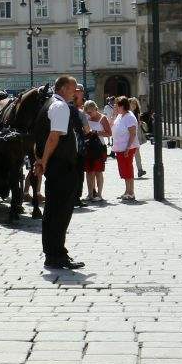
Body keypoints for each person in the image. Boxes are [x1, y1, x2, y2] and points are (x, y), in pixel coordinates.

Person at [38, 75, 85, 270]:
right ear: (64, 88)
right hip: (62, 166)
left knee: (53, 211)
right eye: (74, 89)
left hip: (57, 165)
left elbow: (40, 136)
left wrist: (41, 160)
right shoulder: (60, 106)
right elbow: (53, 137)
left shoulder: (49, 104)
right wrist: (44, 161)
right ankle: (57, 255)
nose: (76, 93)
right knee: (60, 212)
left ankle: (53, 253)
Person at [81, 100, 110, 203]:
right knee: (89, 172)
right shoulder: (87, 118)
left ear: (95, 109)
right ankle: (90, 193)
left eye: (90, 112)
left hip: (99, 147)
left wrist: (97, 133)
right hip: (88, 147)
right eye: (87, 112)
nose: (89, 114)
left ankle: (99, 194)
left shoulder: (103, 118)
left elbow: (109, 133)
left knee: (98, 171)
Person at [111, 97, 139, 201]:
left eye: (117, 105)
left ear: (122, 106)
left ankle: (131, 192)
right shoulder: (119, 115)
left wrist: (127, 147)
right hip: (119, 147)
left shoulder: (129, 117)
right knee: (123, 170)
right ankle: (127, 191)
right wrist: (113, 114)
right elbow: (111, 125)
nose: (115, 107)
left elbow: (132, 133)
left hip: (127, 147)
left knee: (128, 169)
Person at [129, 96, 147, 178]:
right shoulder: (126, 114)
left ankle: (140, 170)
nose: (133, 106)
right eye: (132, 104)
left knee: (136, 152)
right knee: (131, 153)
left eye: (135, 104)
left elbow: (138, 123)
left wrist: (140, 123)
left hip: (136, 135)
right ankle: (132, 170)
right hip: (129, 136)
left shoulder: (137, 113)